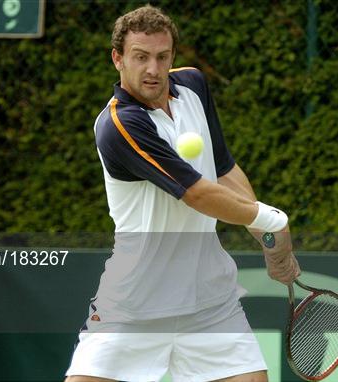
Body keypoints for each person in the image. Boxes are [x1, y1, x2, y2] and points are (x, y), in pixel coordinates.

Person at [65, 5, 300, 382]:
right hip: (135, 303)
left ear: (173, 55)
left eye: (162, 56)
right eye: (140, 57)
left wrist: (265, 236)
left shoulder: (193, 85)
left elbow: (222, 169)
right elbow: (197, 194)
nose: (153, 69)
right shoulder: (120, 124)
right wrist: (272, 220)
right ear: (118, 59)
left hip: (209, 300)